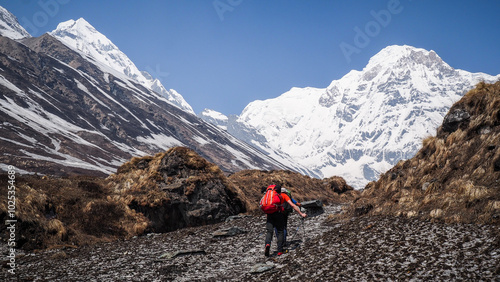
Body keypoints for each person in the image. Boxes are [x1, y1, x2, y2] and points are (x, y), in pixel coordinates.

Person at [264, 184, 306, 257]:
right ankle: (280, 250)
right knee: (281, 230)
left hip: (270, 214)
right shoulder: (283, 196)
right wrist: (301, 213)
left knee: (269, 231)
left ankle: (267, 244)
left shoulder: (271, 196)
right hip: (279, 214)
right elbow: (293, 205)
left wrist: (267, 214)